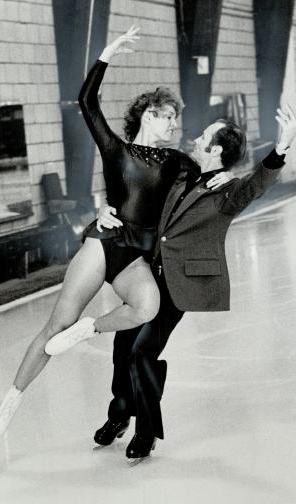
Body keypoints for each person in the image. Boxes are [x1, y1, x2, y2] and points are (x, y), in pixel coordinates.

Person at [0, 26, 231, 443]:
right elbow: (86, 101)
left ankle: (90, 329)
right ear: (150, 115)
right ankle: (12, 397)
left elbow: (202, 191)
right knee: (53, 327)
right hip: (105, 241)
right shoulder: (115, 149)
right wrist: (105, 54)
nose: (175, 124)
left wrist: (226, 176)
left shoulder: (179, 163)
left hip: (138, 256)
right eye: (170, 116)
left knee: (147, 306)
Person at [94, 106, 296, 460]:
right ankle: (119, 416)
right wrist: (106, 209)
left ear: (216, 150)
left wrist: (280, 151)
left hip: (180, 284)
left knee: (143, 352)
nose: (196, 138)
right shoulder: (182, 175)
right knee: (122, 347)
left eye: (204, 137)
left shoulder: (227, 191)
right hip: (149, 273)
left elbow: (254, 187)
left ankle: (146, 432)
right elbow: (137, 188)